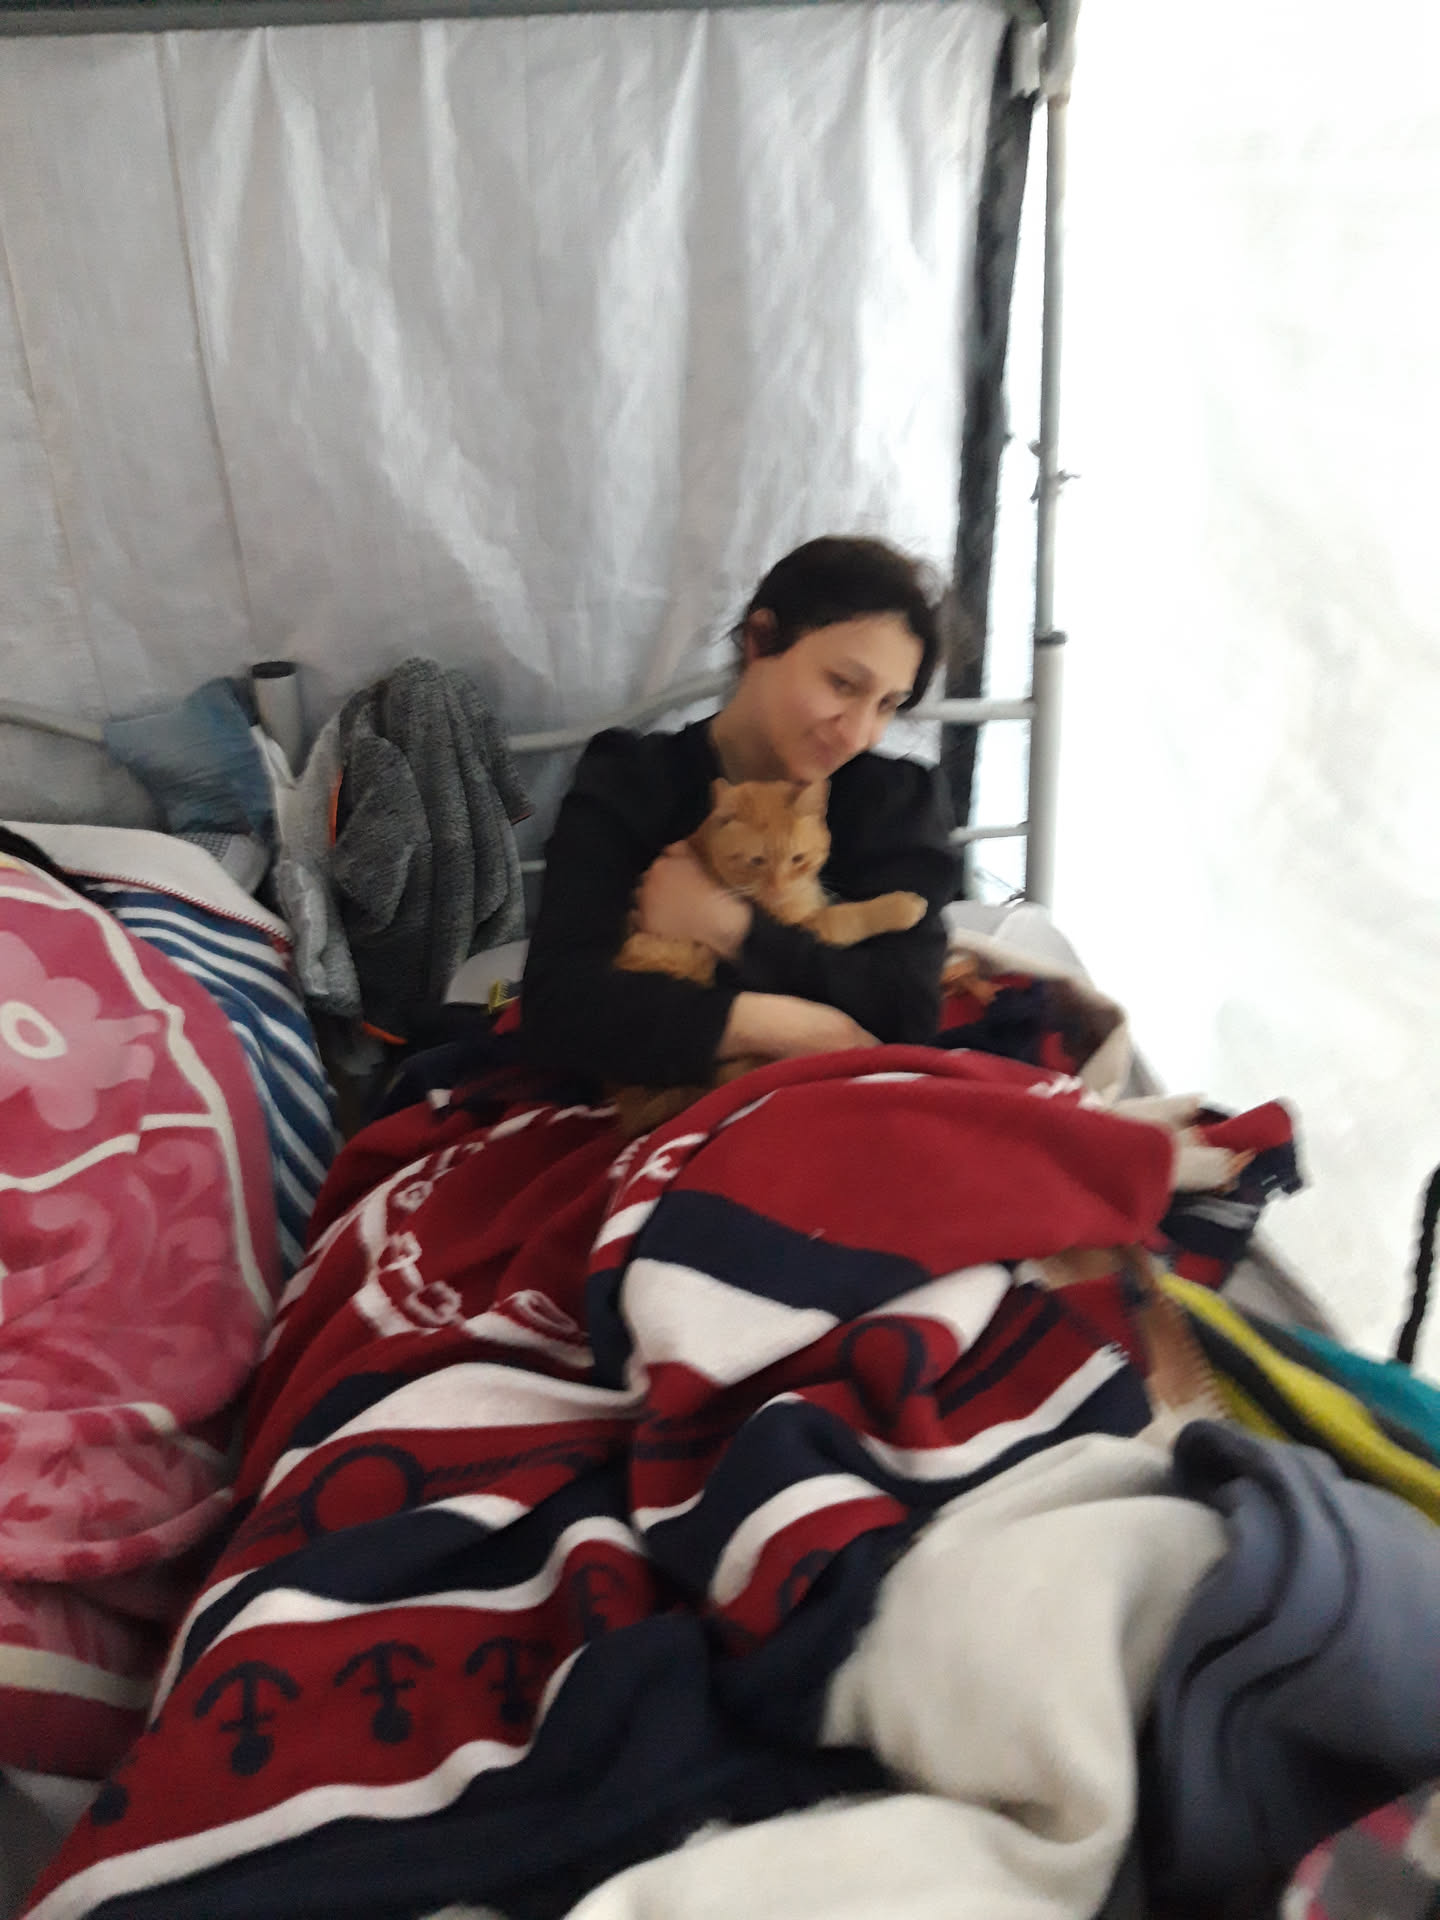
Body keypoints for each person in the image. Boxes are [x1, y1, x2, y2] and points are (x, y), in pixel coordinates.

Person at [520, 535, 960, 1091]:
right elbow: (558, 1014)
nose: (858, 734)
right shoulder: (632, 781)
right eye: (842, 684)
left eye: (887, 705)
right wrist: (789, 1027)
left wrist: (732, 930)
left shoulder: (897, 800)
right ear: (760, 639)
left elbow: (908, 1014)